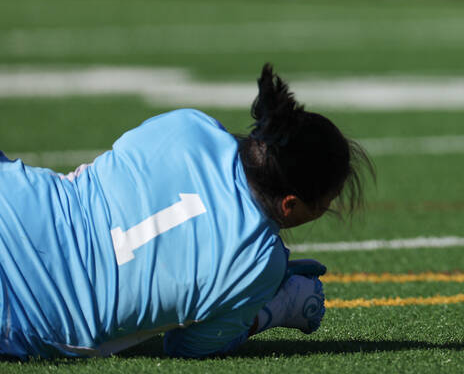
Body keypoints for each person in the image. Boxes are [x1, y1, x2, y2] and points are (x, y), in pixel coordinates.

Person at [0, 64, 372, 359]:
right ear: (290, 205)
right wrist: (275, 307)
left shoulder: (190, 125)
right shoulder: (256, 264)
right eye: (323, 204)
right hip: (25, 312)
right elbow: (187, 347)